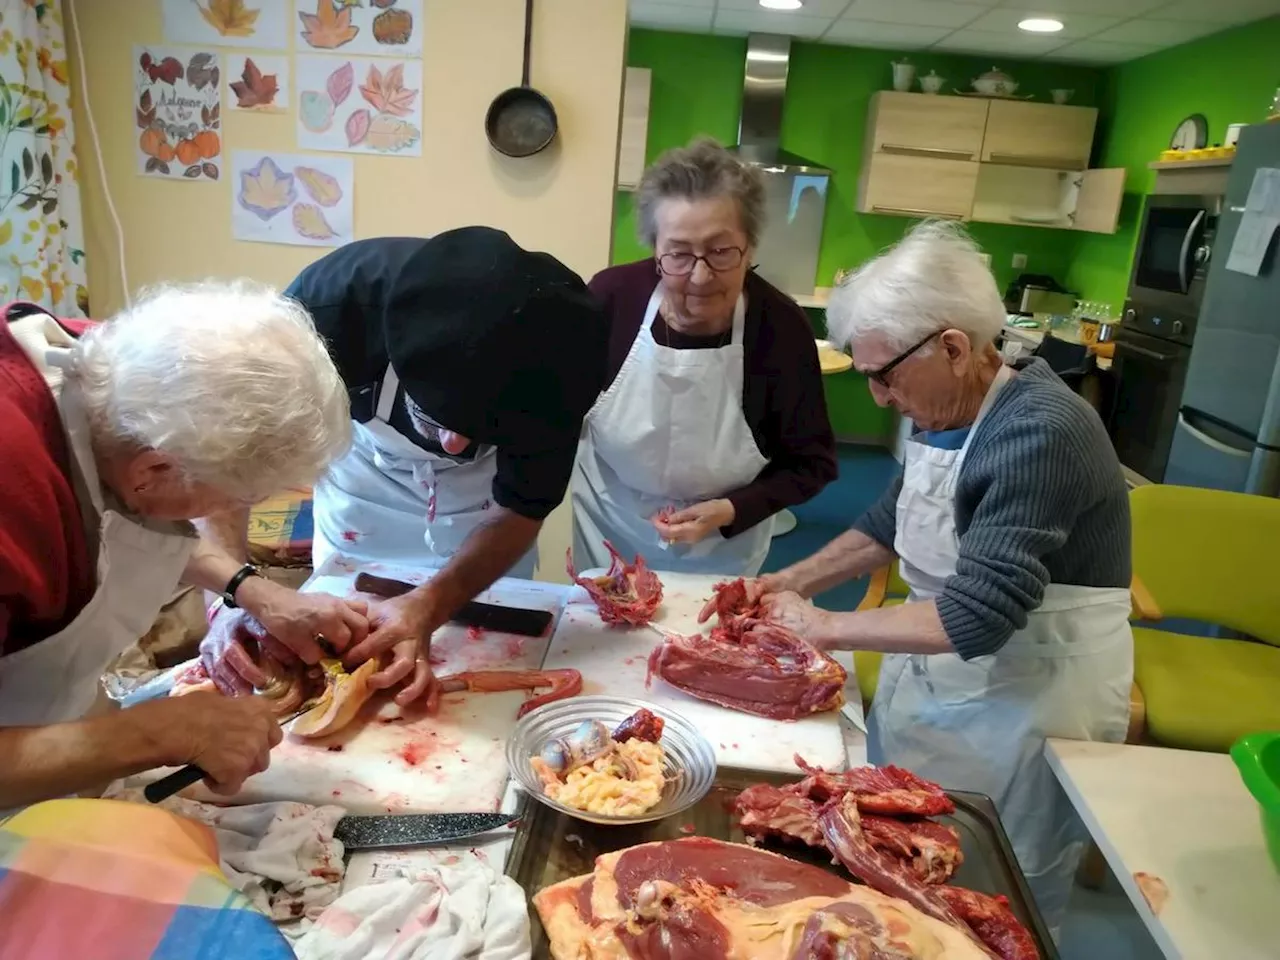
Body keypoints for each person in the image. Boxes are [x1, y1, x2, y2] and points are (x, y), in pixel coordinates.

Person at [755, 221, 1133, 932]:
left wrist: (827, 626)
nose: (876, 396)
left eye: (883, 375)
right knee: (902, 865)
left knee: (992, 892)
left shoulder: (1040, 432)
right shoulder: (945, 411)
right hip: (943, 681)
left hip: (1029, 700)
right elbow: (889, 521)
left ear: (954, 349)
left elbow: (977, 615)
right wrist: (792, 581)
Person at [199, 227, 609, 711]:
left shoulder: (557, 367)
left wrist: (430, 605)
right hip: (364, 487)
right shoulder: (327, 312)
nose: (455, 444)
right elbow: (224, 458)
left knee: (479, 667)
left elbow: (521, 510)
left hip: (481, 511)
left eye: (484, 432)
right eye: (439, 418)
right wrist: (234, 593)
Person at [0, 283, 355, 808]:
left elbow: (129, 520)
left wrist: (251, 591)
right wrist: (157, 734)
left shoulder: (123, 373)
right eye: (238, 496)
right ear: (156, 471)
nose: (235, 506)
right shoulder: (13, 502)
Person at [572, 138, 836, 577]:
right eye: (678, 253)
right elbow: (555, 412)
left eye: (720, 251)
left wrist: (735, 508)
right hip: (609, 530)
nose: (699, 277)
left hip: (722, 549)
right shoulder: (611, 299)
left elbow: (812, 463)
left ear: (750, 247)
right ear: (654, 250)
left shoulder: (781, 329)